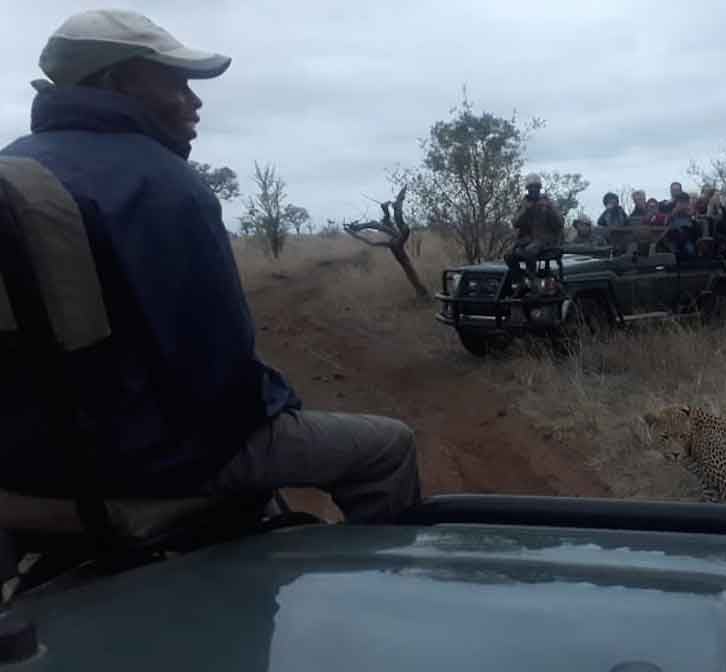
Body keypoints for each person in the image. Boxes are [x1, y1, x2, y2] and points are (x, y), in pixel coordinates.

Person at [0, 9, 421, 524]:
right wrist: (276, 403)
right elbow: (221, 375)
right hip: (150, 459)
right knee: (387, 449)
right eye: (176, 83)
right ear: (116, 83)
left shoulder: (15, 168)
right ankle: (393, 596)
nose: (194, 102)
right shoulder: (162, 184)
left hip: (22, 460)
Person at [506, 173, 565, 282]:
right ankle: (521, 281)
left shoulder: (548, 202)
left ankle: (534, 284)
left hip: (546, 240)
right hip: (528, 239)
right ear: (527, 189)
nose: (533, 190)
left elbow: (560, 223)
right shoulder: (524, 204)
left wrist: (549, 208)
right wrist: (525, 210)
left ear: (539, 188)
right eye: (530, 188)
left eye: (536, 187)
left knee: (530, 251)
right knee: (509, 255)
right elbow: (515, 223)